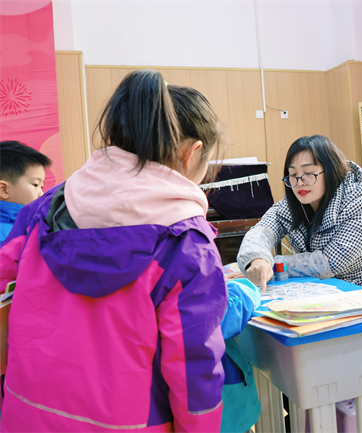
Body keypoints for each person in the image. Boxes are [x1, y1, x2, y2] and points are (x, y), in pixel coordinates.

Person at [0, 70, 228, 432]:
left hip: (25, 414)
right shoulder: (187, 244)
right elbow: (193, 368)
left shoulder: (45, 207)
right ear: (192, 153)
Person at [237, 135, 362, 296]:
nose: (300, 182)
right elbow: (262, 230)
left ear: (330, 171)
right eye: (293, 174)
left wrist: (271, 264)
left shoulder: (361, 203)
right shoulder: (292, 204)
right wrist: (257, 258)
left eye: (308, 173)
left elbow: (328, 263)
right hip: (325, 293)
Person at [0, 140, 52, 243]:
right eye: (35, 185)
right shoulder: (8, 237)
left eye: (42, 186)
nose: (41, 194)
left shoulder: (35, 226)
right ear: (4, 190)